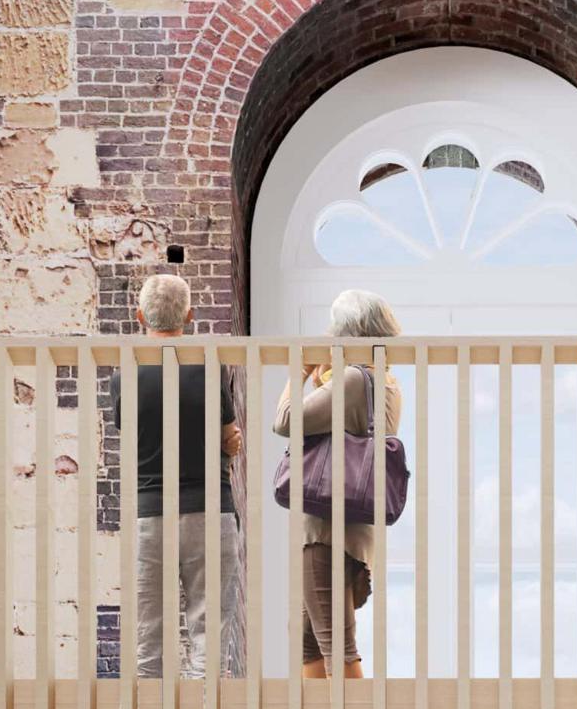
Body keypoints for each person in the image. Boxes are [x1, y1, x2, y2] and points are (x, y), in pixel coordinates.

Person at [272, 292, 405, 679]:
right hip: (354, 529)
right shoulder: (387, 384)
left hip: (327, 530)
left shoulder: (350, 380)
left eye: (333, 328)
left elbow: (285, 419)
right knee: (309, 640)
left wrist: (298, 373)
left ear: (349, 333)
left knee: (336, 645)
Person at [129, 273, 245, 680]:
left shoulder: (125, 372)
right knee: (208, 639)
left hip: (149, 513)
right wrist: (226, 442)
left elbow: (133, 435)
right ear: (190, 316)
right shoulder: (205, 368)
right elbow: (231, 439)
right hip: (209, 510)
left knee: (148, 644)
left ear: (141, 315)